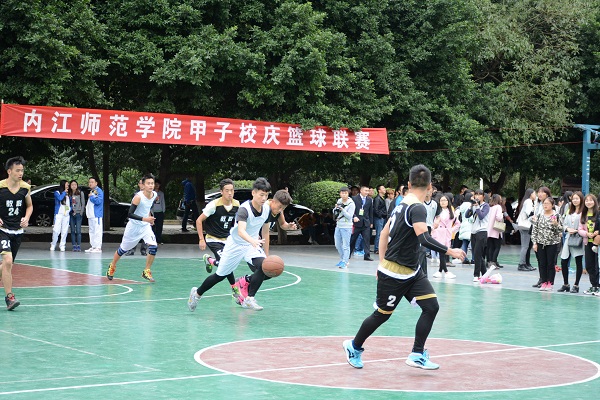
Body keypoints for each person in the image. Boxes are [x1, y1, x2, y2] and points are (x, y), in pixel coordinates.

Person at [342, 164, 465, 371]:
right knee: (382, 314)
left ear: (408, 184)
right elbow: (424, 239)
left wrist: (381, 262)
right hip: (394, 274)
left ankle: (417, 354)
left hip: (412, 271)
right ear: (430, 187)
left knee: (431, 307)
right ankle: (353, 346)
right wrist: (450, 251)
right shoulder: (417, 207)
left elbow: (384, 234)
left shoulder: (401, 204)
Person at [187, 178, 296, 311]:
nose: (263, 198)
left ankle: (249, 298)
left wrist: (266, 253)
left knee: (264, 267)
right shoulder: (244, 209)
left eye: (266, 195)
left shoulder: (267, 209)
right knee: (220, 275)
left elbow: (267, 230)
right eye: (261, 195)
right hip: (236, 244)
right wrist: (252, 240)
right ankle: (197, 294)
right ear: (253, 193)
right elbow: (241, 231)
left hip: (251, 245)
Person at [106, 174, 158, 282]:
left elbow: (147, 207)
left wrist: (149, 218)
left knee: (153, 247)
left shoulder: (154, 195)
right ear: (143, 185)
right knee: (123, 249)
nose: (151, 185)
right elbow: (129, 214)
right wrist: (145, 219)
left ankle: (146, 270)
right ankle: (112, 265)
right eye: (148, 183)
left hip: (145, 226)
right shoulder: (138, 197)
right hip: (133, 227)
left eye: (152, 183)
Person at [196, 178, 242, 302]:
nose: (230, 193)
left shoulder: (237, 205)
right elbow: (199, 220)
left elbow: (240, 222)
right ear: (221, 192)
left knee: (227, 264)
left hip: (228, 240)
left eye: (232, 190)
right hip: (213, 239)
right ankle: (234, 288)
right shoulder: (214, 205)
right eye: (227, 190)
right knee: (225, 263)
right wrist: (201, 239)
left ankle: (210, 260)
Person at [0, 156, 33, 310]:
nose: (21, 173)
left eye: (22, 170)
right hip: (2, 230)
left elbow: (29, 206)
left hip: (17, 231)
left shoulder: (25, 188)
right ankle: (10, 298)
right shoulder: (1, 187)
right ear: (9, 171)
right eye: (17, 170)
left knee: (8, 265)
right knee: (7, 260)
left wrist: (27, 217)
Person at [531, 197, 562, 291]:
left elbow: (560, 230)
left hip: (552, 243)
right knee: (542, 263)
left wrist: (556, 224)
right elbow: (535, 230)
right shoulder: (539, 215)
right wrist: (534, 242)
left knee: (551, 264)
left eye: (547, 203)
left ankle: (550, 283)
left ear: (552, 205)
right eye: (544, 203)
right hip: (540, 243)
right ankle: (543, 282)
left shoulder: (556, 216)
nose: (545, 205)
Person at [558, 191, 584, 293]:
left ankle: (576, 285)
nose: (575, 200)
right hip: (569, 238)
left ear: (581, 199)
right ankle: (566, 284)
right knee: (564, 261)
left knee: (578, 261)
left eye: (577, 198)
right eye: (573, 199)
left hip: (578, 239)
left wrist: (577, 231)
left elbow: (585, 225)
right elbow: (564, 224)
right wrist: (567, 229)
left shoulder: (584, 212)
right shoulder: (569, 210)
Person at [431, 194, 459, 279]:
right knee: (441, 252)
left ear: (448, 202)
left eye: (444, 200)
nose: (443, 202)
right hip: (438, 234)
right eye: (441, 200)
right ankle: (445, 271)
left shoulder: (451, 212)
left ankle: (440, 271)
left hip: (446, 234)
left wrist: (451, 230)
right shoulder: (437, 212)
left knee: (443, 252)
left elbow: (458, 224)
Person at [465, 189, 489, 281]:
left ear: (483, 196)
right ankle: (485, 274)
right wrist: (471, 206)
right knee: (476, 254)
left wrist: (478, 206)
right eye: (476, 195)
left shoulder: (486, 206)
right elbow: (467, 215)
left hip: (482, 231)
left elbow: (481, 216)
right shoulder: (474, 205)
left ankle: (476, 275)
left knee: (477, 254)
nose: (477, 196)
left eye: (479, 195)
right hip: (473, 232)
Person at [578, 194, 600, 295]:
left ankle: (598, 286)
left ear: (595, 202)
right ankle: (594, 286)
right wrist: (586, 234)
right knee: (589, 265)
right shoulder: (583, 214)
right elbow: (580, 229)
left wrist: (597, 232)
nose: (589, 202)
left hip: (597, 243)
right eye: (587, 200)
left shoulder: (598, 213)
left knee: (597, 265)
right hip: (588, 243)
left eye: (591, 200)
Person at [349, 185, 374, 261]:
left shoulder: (369, 199)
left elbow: (370, 211)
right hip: (357, 222)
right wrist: (354, 217)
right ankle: (348, 254)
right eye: (365, 190)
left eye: (368, 191)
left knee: (366, 240)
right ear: (361, 191)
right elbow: (351, 210)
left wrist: (371, 222)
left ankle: (367, 255)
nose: (367, 192)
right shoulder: (354, 198)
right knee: (353, 239)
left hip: (365, 222)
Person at [333, 187, 356, 269]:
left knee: (346, 245)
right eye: (342, 193)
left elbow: (349, 216)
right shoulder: (339, 201)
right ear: (340, 194)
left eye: (345, 193)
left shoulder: (351, 204)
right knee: (337, 244)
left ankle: (345, 262)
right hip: (338, 225)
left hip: (346, 227)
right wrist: (335, 209)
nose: (344, 195)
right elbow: (335, 213)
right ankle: (343, 259)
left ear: (348, 194)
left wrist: (342, 210)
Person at [516, 189, 536, 271]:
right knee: (525, 246)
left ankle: (525, 263)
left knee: (525, 246)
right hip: (526, 226)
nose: (535, 195)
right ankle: (521, 264)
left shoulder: (527, 201)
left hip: (523, 226)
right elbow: (529, 213)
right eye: (534, 193)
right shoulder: (528, 201)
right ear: (531, 194)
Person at [50, 180, 70, 252]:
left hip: (66, 215)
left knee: (64, 230)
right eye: (67, 184)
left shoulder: (68, 194)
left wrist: (69, 209)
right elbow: (60, 198)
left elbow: (69, 203)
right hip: (58, 214)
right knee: (56, 230)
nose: (68, 186)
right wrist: (64, 192)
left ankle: (62, 245)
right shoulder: (57, 192)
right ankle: (53, 244)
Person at [84, 177, 104, 253]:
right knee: (92, 231)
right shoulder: (92, 191)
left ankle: (98, 247)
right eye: (89, 182)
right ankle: (93, 246)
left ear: (96, 183)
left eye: (92, 182)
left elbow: (98, 201)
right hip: (91, 215)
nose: (90, 183)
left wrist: (91, 197)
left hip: (96, 215)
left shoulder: (99, 191)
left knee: (97, 231)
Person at [486, 194, 506, 269]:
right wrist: (502, 215)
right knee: (497, 247)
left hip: (489, 229)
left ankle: (489, 262)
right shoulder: (498, 207)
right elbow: (498, 217)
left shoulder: (489, 207)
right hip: (496, 229)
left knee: (490, 247)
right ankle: (494, 262)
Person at [457, 191, 474, 265]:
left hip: (463, 225)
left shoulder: (462, 205)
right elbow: (471, 217)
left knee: (464, 243)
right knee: (473, 243)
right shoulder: (470, 205)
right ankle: (473, 259)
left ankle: (464, 258)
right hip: (470, 226)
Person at [69, 180, 85, 252]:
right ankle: (73, 245)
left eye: (75, 184)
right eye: (72, 185)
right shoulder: (69, 193)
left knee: (78, 230)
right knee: (72, 230)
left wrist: (81, 212)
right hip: (71, 213)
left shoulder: (80, 193)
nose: (74, 186)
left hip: (78, 213)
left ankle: (78, 245)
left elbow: (83, 203)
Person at [373, 185, 387, 254]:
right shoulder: (377, 199)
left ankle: (379, 248)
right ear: (379, 190)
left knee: (381, 233)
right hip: (379, 218)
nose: (384, 189)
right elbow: (376, 209)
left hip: (382, 218)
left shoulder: (381, 198)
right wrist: (380, 216)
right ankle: (377, 248)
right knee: (379, 233)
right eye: (383, 188)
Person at [152, 179, 166, 244]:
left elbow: (163, 202)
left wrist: (163, 210)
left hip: (160, 212)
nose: (157, 185)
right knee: (153, 227)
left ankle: (159, 240)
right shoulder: (151, 193)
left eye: (158, 184)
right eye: (156, 184)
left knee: (159, 226)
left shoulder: (161, 193)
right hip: (153, 212)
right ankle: (153, 240)